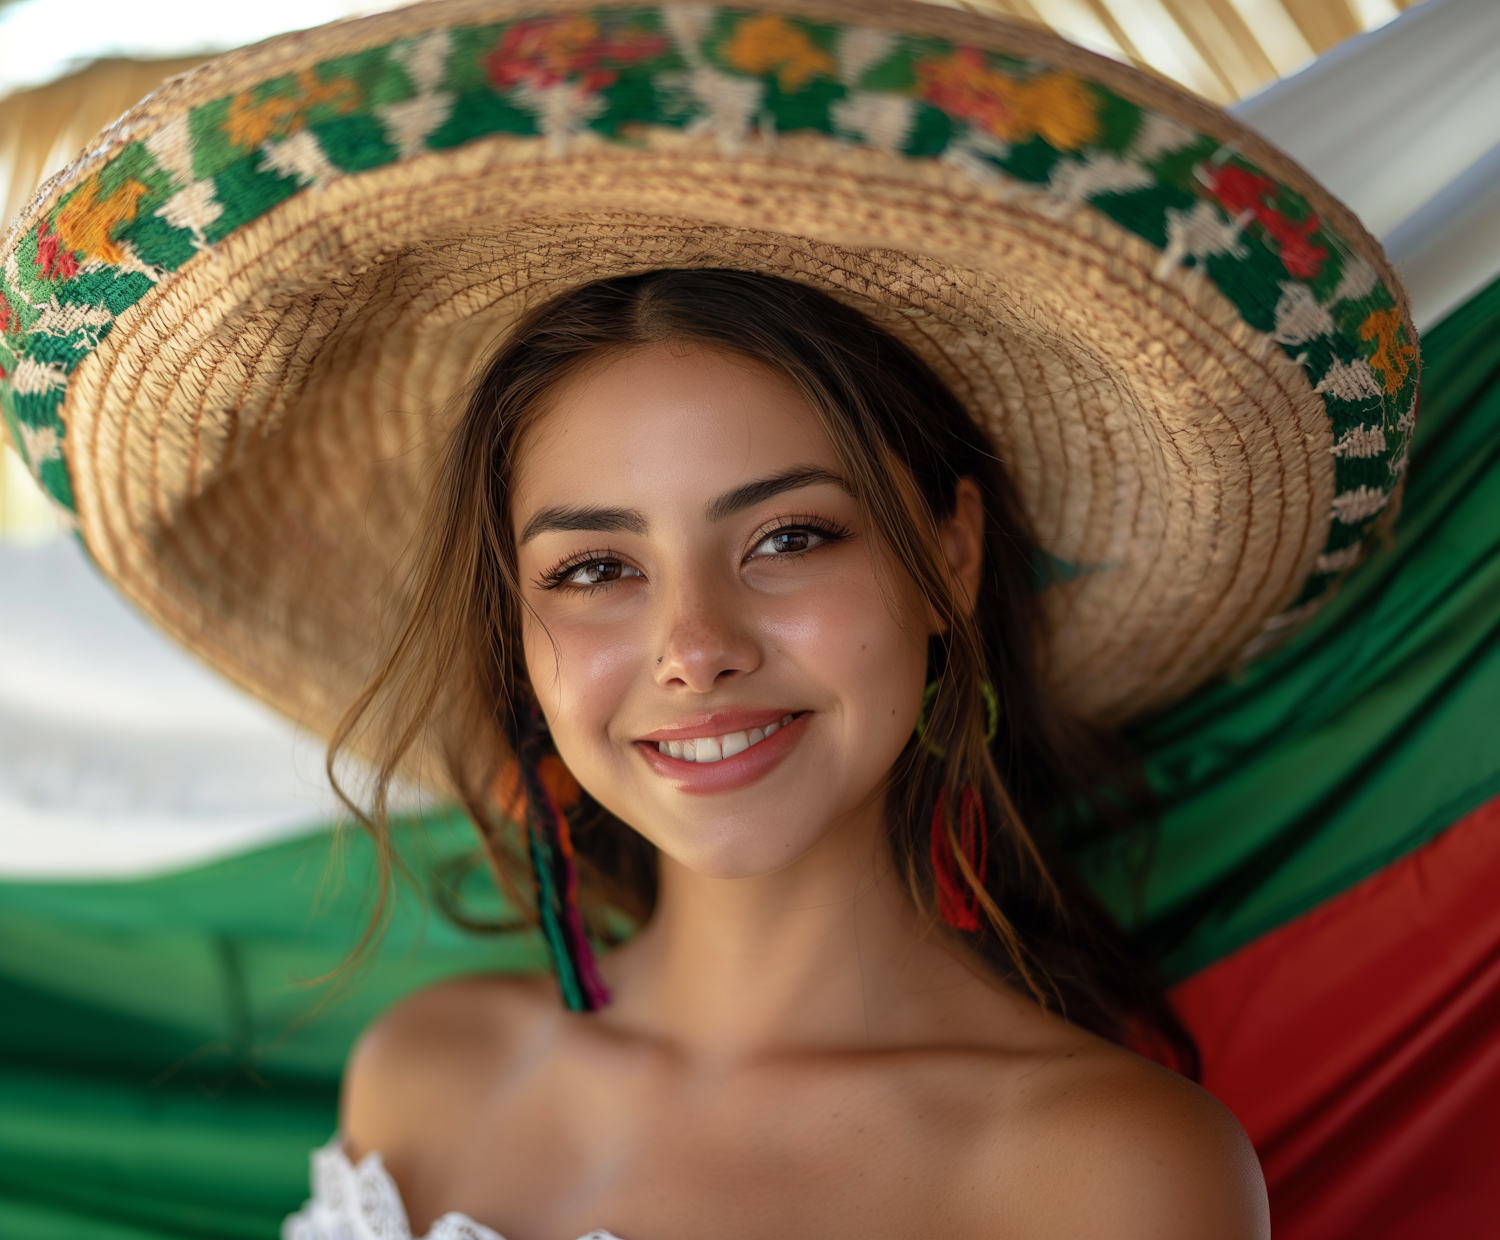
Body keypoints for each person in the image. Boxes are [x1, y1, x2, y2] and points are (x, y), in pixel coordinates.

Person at [0, 1, 1415, 1237]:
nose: (695, 643)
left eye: (789, 537)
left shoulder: (1102, 1174)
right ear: (519, 632)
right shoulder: (424, 1069)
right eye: (594, 569)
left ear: (951, 554)